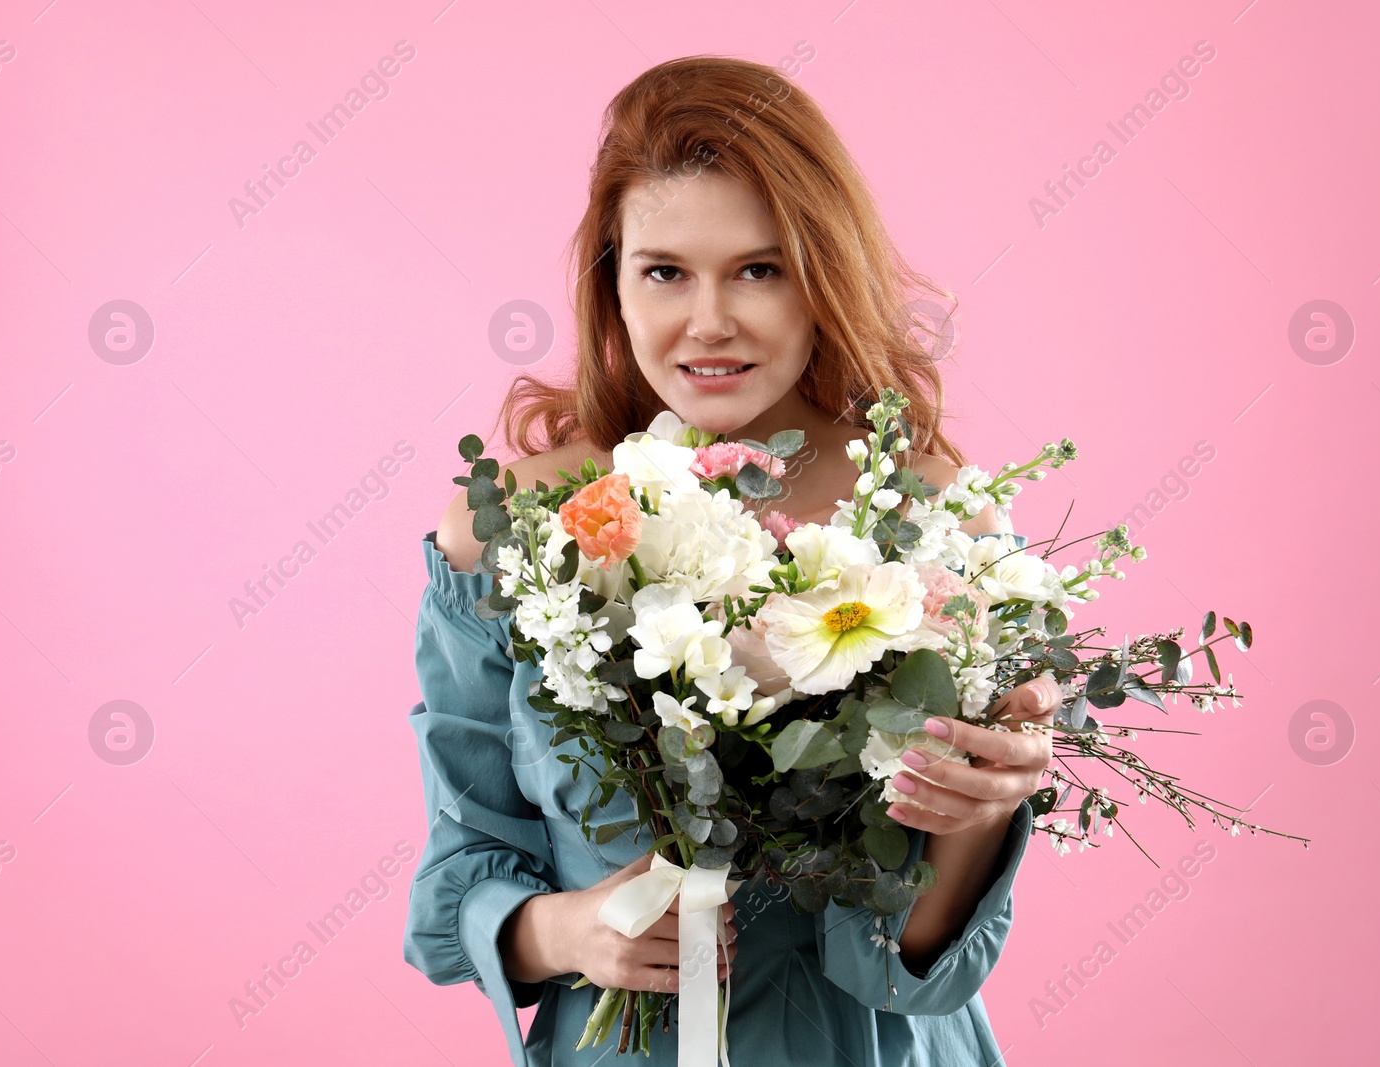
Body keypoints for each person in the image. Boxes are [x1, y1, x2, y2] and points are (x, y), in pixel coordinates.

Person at [403, 55, 1061, 1066]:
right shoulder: (517, 523)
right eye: (665, 270)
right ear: (612, 282)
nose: (709, 321)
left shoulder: (931, 517)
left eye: (759, 268)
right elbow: (463, 866)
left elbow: (910, 963)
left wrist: (979, 811)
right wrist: (568, 928)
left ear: (820, 277)